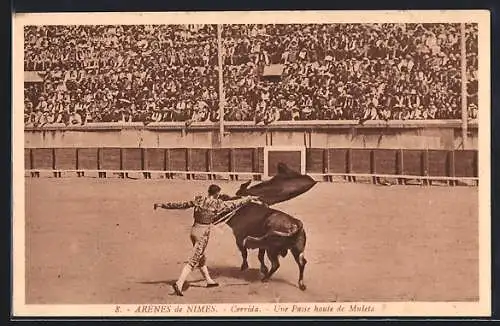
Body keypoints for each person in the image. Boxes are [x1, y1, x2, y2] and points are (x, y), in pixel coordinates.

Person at [153, 184, 260, 296]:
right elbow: (234, 204)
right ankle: (179, 283)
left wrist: (162, 205)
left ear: (209, 192)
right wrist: (249, 198)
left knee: (201, 257)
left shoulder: (199, 199)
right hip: (202, 234)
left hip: (194, 231)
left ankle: (209, 281)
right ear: (217, 193)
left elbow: (181, 205)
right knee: (194, 259)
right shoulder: (217, 204)